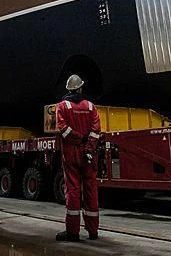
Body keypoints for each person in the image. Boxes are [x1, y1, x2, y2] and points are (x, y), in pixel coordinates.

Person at [55, 74, 101, 242]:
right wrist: (88, 146)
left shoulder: (62, 106)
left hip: (71, 153)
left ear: (68, 89)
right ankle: (93, 231)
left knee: (73, 190)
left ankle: (73, 232)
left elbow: (63, 129)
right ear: (80, 88)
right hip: (88, 154)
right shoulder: (90, 106)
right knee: (91, 189)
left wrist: (78, 138)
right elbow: (96, 130)